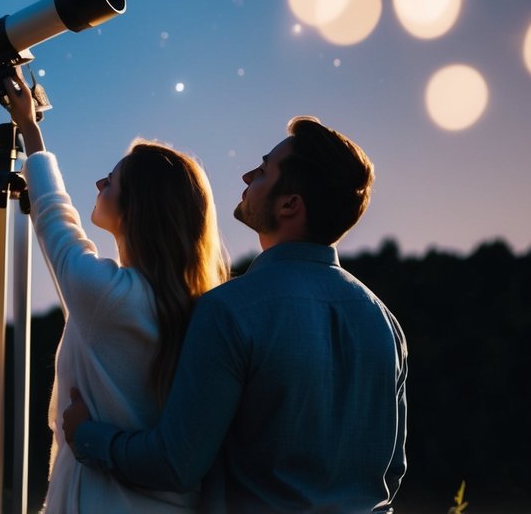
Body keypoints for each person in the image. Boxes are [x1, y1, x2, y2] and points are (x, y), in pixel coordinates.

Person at [64, 116, 408, 514]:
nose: (246, 175)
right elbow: (392, 470)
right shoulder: (383, 321)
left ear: (289, 204)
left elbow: (176, 464)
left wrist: (86, 436)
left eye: (262, 172)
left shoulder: (230, 311)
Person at [2, 68, 229, 513]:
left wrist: (29, 128)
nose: (99, 184)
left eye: (111, 180)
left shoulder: (109, 296)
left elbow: (54, 217)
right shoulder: (199, 305)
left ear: (137, 208)